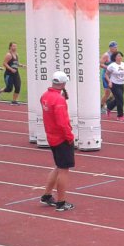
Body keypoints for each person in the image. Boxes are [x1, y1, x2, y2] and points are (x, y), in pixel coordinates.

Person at [40, 72, 75, 212]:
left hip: (51, 136)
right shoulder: (58, 100)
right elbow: (62, 122)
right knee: (63, 170)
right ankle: (61, 202)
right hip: (61, 138)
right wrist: (70, 137)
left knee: (58, 167)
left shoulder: (45, 96)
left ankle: (47, 195)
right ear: (64, 83)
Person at [104, 52, 124, 120]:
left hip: (121, 84)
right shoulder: (112, 66)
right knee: (120, 99)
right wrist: (109, 82)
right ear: (115, 57)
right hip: (114, 84)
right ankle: (120, 116)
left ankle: (109, 107)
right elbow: (106, 74)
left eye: (121, 56)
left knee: (118, 99)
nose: (120, 57)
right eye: (118, 56)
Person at [99, 41, 119, 114]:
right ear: (110, 48)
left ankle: (106, 103)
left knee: (114, 94)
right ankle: (101, 106)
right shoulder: (106, 55)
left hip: (113, 76)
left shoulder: (117, 54)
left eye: (116, 47)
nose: (116, 48)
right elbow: (100, 64)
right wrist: (108, 67)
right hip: (106, 76)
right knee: (107, 93)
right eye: (114, 47)